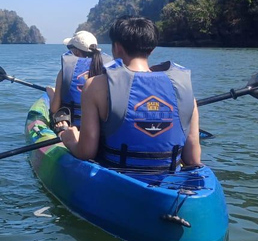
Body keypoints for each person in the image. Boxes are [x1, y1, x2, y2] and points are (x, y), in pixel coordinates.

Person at [58, 16, 201, 171]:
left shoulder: (95, 85)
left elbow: (86, 152)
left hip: (117, 180)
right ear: (152, 49)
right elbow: (193, 159)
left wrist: (69, 138)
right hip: (170, 183)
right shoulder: (184, 90)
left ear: (116, 47)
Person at [47, 30, 108, 128]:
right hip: (100, 129)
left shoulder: (64, 72)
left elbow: (54, 109)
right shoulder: (108, 72)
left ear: (76, 51)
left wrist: (50, 94)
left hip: (74, 127)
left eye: (69, 48)